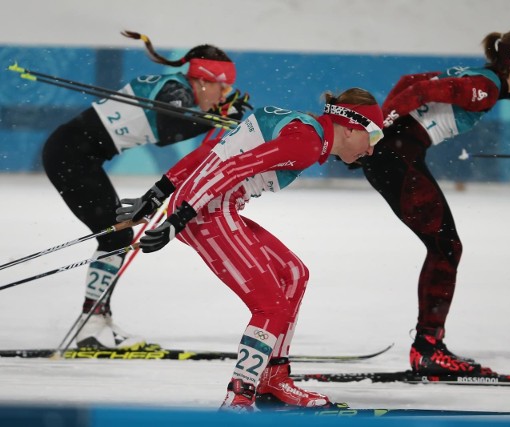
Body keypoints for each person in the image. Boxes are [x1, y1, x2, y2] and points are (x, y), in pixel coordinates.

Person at [115, 88, 384, 410]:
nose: (371, 149)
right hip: (206, 212)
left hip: (206, 206)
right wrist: (180, 217)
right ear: (352, 127)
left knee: (294, 274)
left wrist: (158, 193)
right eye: (374, 137)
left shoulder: (301, 127)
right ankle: (238, 398)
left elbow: (215, 150)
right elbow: (231, 169)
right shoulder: (306, 143)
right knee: (271, 307)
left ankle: (274, 378)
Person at [42, 30, 252, 349]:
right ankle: (92, 326)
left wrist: (215, 117)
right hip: (71, 156)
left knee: (117, 235)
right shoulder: (175, 91)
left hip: (76, 156)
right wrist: (215, 119)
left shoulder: (177, 91)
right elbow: (168, 132)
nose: (223, 96)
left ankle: (95, 321)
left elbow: (179, 125)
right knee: (117, 236)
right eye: (222, 88)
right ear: (204, 80)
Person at [357, 27, 510, 376]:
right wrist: (377, 131)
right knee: (446, 247)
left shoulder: (484, 82)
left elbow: (408, 80)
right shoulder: (485, 87)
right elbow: (419, 90)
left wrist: (378, 132)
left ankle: (429, 345)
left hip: (396, 156)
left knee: (445, 246)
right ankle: (428, 349)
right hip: (396, 158)